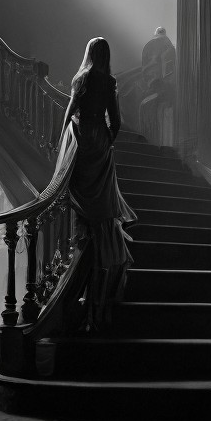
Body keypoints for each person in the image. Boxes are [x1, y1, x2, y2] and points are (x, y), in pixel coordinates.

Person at [40, 37, 137, 334]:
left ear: (89, 54)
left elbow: (70, 111)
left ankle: (83, 239)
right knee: (101, 198)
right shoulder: (109, 81)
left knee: (80, 193)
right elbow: (117, 120)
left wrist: (63, 144)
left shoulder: (81, 78)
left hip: (83, 138)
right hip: (101, 141)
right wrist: (108, 142)